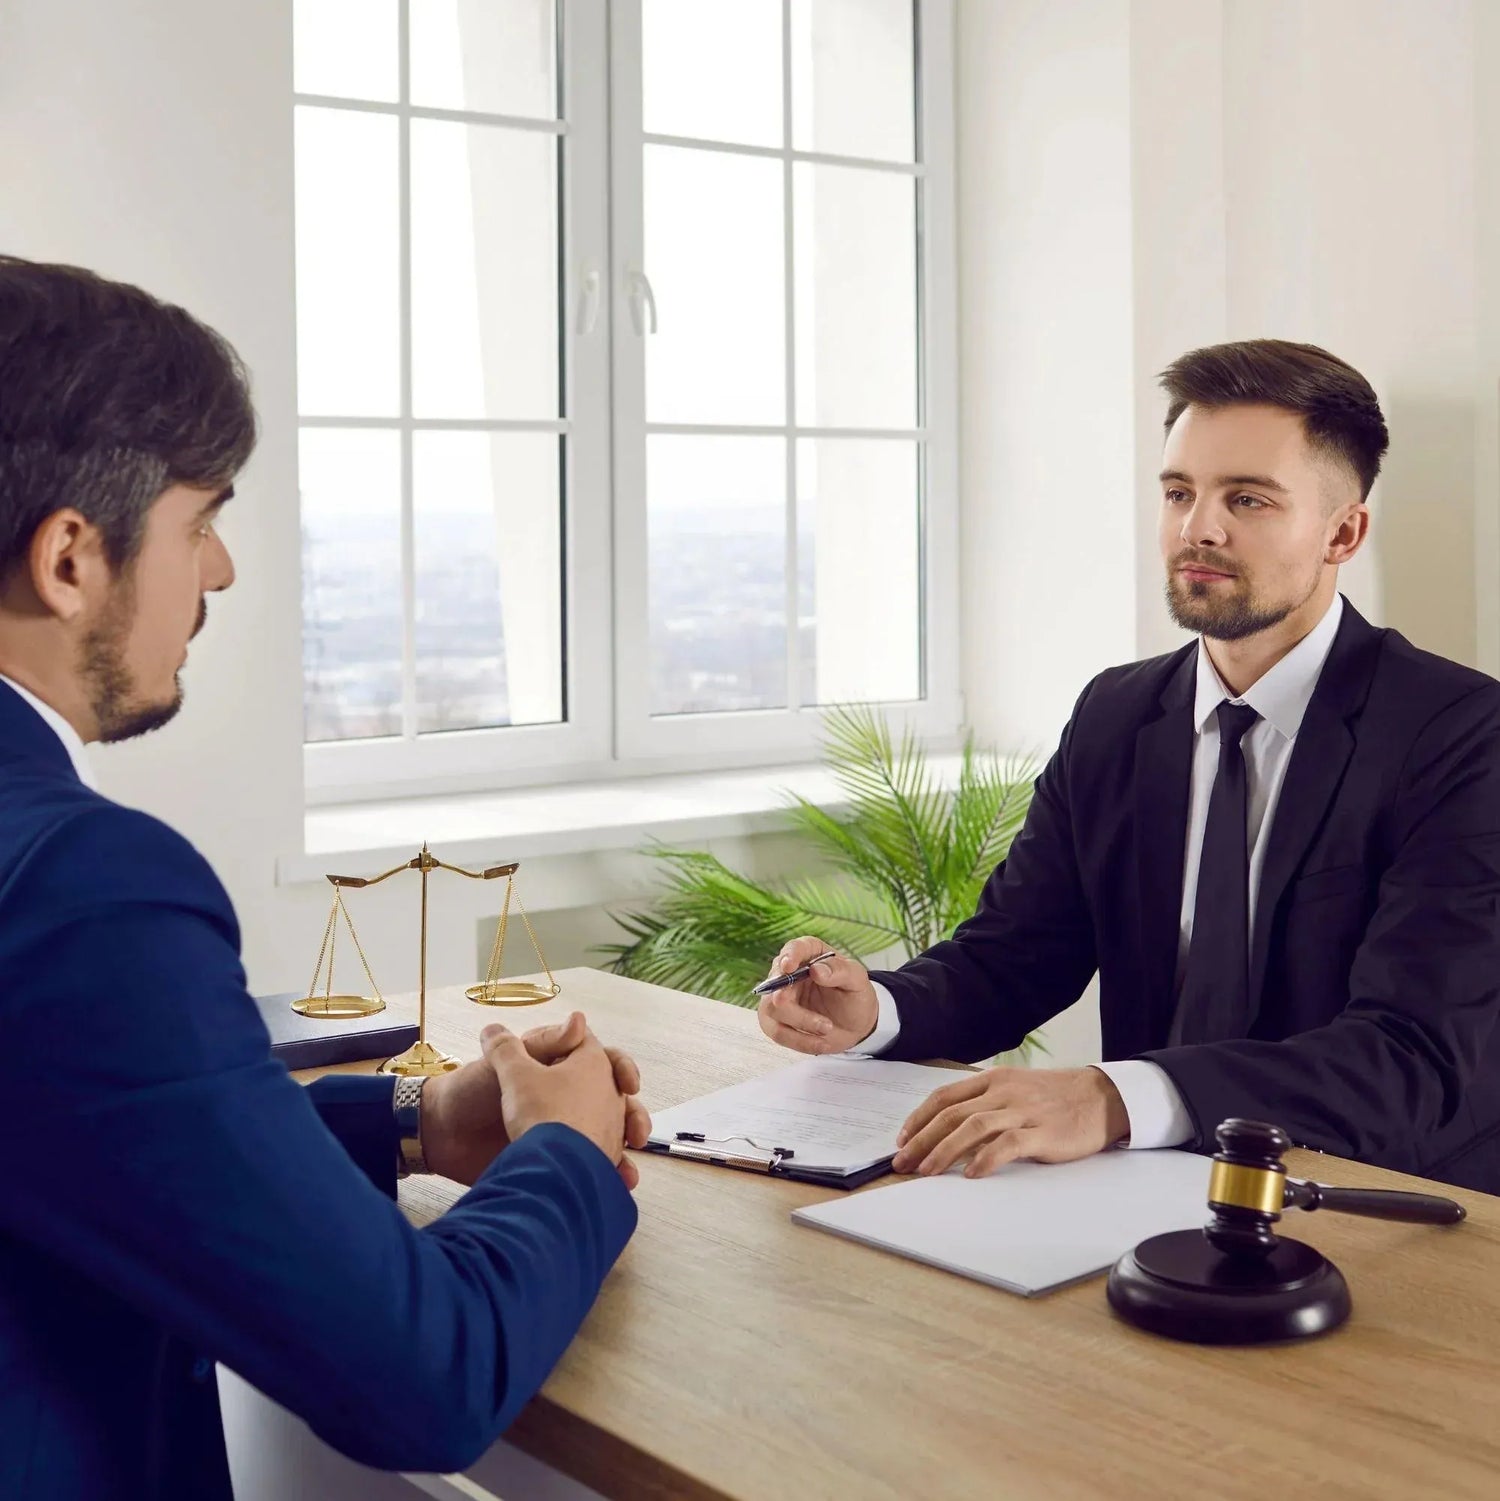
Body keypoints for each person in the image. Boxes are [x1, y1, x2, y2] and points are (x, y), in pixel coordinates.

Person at [0, 255, 650, 1501]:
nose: (224, 572)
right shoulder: (84, 888)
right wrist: (561, 1152)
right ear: (71, 556)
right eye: (203, 522)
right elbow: (425, 1378)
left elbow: (60, 1121)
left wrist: (410, 1119)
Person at [760, 338, 1500, 1194]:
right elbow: (1016, 955)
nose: (1199, 528)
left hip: (1383, 1203)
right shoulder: (1117, 714)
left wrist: (1114, 1097)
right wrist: (875, 1009)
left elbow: (1410, 1055)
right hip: (1145, 1194)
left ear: (1343, 530)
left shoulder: (1459, 734)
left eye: (1248, 499)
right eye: (1180, 492)